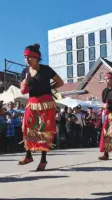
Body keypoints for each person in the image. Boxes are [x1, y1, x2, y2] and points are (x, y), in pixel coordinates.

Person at [19, 43, 64, 171]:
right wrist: (26, 80)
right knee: (28, 127)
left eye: (29, 57)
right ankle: (28, 155)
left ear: (36, 57)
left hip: (46, 102)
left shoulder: (46, 69)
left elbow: (60, 82)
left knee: (44, 129)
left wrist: (50, 87)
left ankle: (43, 159)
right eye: (25, 57)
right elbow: (23, 91)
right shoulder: (24, 72)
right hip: (32, 103)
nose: (26, 60)